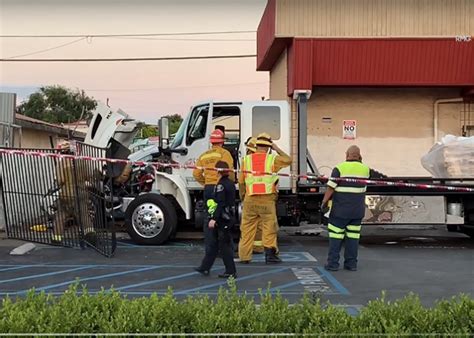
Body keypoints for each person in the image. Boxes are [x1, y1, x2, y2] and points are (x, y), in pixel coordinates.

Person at [238, 133, 291, 264]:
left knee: (246, 229)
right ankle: (270, 256)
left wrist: (243, 197)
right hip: (267, 200)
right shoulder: (272, 160)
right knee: (269, 228)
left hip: (250, 199)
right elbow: (288, 160)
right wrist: (276, 147)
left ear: (256, 146)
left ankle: (244, 257)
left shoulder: (246, 160)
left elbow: (241, 182)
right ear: (268, 147)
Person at [321, 145, 370, 271]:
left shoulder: (339, 168)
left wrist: (324, 202)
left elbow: (331, 188)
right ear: (359, 156)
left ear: (346, 155)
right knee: (353, 239)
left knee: (336, 238)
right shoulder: (365, 170)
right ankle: (351, 264)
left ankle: (332, 264)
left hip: (340, 211)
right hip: (357, 212)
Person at [194, 161, 237, 278]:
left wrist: (214, 218)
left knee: (223, 246)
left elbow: (220, 203)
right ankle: (205, 267)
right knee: (215, 244)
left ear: (218, 171)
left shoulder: (221, 185)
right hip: (228, 217)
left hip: (223, 218)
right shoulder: (230, 183)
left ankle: (230, 271)